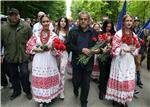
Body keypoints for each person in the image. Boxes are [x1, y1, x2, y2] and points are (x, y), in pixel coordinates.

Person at [26, 15, 63, 107]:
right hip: (39, 59)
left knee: (49, 77)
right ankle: (42, 98)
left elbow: (58, 51)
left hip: (50, 59)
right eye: (44, 22)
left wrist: (53, 48)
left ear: (50, 22)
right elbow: (29, 46)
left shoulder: (54, 35)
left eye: (47, 21)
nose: (46, 23)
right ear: (41, 23)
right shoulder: (36, 34)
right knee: (40, 78)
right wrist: (38, 49)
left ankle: (50, 96)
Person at [105, 15, 140, 107]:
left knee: (127, 79)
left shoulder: (134, 35)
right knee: (119, 79)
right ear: (123, 22)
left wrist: (134, 50)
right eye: (127, 21)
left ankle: (124, 100)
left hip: (129, 61)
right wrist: (123, 50)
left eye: (130, 21)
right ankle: (116, 99)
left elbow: (137, 47)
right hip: (119, 60)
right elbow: (114, 48)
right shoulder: (118, 34)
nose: (129, 22)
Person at [66, 11, 99, 107]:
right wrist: (81, 50)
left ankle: (84, 101)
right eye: (81, 19)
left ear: (89, 21)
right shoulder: (73, 31)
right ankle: (75, 88)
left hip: (88, 63)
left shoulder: (93, 32)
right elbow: (68, 45)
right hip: (76, 62)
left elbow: (97, 46)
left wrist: (97, 50)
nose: (83, 21)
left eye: (85, 19)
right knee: (76, 82)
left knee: (86, 84)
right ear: (78, 20)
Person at [1, 8, 32, 100]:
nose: (14, 16)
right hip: (10, 56)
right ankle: (16, 91)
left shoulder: (26, 26)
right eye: (12, 15)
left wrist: (31, 53)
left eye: (16, 14)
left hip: (23, 55)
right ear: (9, 16)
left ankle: (27, 91)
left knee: (24, 74)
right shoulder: (3, 28)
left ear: (18, 15)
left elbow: (32, 41)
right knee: (13, 75)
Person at [97, 19, 116, 100]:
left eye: (110, 27)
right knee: (102, 73)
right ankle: (102, 90)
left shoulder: (114, 34)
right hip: (102, 56)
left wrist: (111, 46)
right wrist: (103, 45)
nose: (108, 28)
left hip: (110, 57)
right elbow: (97, 45)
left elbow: (116, 44)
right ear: (104, 26)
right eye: (107, 26)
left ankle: (103, 85)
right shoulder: (100, 33)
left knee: (108, 74)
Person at [55, 16, 69, 99]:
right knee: (56, 71)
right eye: (61, 21)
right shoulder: (55, 31)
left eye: (64, 21)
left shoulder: (68, 32)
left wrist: (65, 46)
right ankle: (55, 88)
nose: (63, 22)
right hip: (55, 54)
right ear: (59, 22)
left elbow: (69, 44)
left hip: (64, 53)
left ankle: (61, 91)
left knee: (62, 71)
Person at [133, 16, 145, 88]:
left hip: (138, 48)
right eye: (135, 21)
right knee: (132, 64)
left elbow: (143, 41)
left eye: (137, 21)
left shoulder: (141, 30)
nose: (136, 22)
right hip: (131, 48)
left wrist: (139, 39)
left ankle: (139, 79)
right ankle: (131, 78)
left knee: (138, 63)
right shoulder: (130, 29)